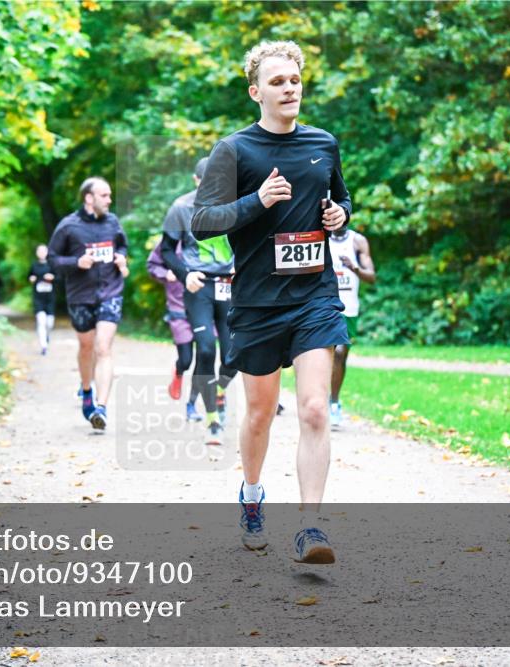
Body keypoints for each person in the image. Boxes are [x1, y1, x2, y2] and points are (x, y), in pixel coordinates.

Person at [192, 41, 352, 563]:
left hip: (314, 296)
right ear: (256, 91)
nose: (289, 88)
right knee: (259, 415)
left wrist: (340, 218)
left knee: (312, 407)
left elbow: (343, 198)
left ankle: (311, 527)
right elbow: (202, 221)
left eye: (295, 80)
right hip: (258, 302)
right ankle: (254, 496)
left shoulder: (323, 143)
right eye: (278, 81)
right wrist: (256, 201)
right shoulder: (235, 151)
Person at [160, 157, 238, 445]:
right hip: (199, 286)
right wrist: (184, 274)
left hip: (229, 286)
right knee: (205, 350)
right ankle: (212, 418)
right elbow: (166, 250)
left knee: (233, 356)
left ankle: (219, 391)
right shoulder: (181, 208)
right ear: (196, 181)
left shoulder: (235, 205)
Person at [47, 177, 129, 431]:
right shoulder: (68, 226)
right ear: (89, 198)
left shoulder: (113, 222)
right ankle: (86, 391)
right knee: (86, 347)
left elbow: (123, 246)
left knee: (103, 348)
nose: (109, 199)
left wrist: (121, 259)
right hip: (80, 296)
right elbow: (52, 259)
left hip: (110, 292)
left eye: (110, 195)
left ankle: (101, 408)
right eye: (104, 195)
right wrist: (76, 263)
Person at [146, 240, 202, 422]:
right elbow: (152, 265)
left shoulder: (209, 239)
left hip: (204, 308)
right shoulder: (170, 242)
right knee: (186, 359)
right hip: (178, 310)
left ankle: (192, 405)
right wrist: (166, 273)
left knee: (204, 357)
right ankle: (179, 371)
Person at [328, 222, 375, 427]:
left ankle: (334, 402)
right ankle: (320, 401)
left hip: (348, 309)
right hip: (324, 304)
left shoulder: (357, 241)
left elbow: (371, 277)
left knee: (340, 355)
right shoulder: (321, 237)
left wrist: (353, 267)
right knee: (324, 354)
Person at [28, 244, 57, 356]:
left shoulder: (52, 265)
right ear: (37, 253)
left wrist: (53, 277)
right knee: (41, 321)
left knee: (49, 323)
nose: (41, 253)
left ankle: (46, 336)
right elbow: (29, 276)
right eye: (39, 251)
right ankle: (43, 346)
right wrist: (32, 278)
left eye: (44, 251)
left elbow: (59, 278)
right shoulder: (34, 265)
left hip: (50, 297)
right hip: (38, 298)